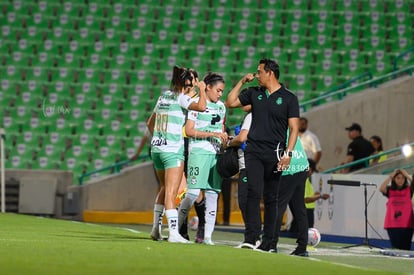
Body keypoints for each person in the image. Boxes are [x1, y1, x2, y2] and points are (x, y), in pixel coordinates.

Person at [226, 58, 300, 252]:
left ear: (270, 73)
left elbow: (294, 129)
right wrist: (242, 81)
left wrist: (288, 154)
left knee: (271, 198)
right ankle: (251, 239)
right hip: (254, 152)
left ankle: (269, 243)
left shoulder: (289, 98)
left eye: (259, 72)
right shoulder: (254, 93)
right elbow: (230, 102)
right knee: (252, 193)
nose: (256, 75)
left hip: (275, 153)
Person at [148, 65, 207, 243]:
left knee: (164, 188)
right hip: (172, 151)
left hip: (157, 149)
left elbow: (149, 123)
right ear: (186, 84)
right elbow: (202, 107)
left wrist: (159, 139)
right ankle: (174, 233)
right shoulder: (181, 98)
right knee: (172, 193)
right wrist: (202, 90)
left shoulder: (163, 96)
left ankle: (155, 229)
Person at [177, 73, 228, 245]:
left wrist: (224, 138)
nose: (220, 94)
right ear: (207, 87)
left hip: (215, 154)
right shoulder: (196, 105)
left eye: (222, 91)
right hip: (198, 152)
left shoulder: (222, 107)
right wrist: (212, 134)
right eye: (218, 90)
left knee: (213, 194)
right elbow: (189, 131)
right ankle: (176, 228)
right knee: (192, 193)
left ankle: (208, 237)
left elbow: (221, 128)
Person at [272, 132, 309, 256]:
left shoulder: (275, 126)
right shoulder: (290, 126)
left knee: (278, 206)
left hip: (288, 168)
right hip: (302, 165)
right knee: (299, 208)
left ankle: (271, 243)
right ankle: (302, 247)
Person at [226, 105, 252, 225]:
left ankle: (252, 233)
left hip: (248, 166)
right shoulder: (248, 117)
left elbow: (242, 140)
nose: (242, 104)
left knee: (245, 201)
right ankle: (252, 233)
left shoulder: (251, 116)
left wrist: (230, 143)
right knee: (246, 201)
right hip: (246, 166)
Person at [289, 159, 329, 232]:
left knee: (304, 235)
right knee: (298, 235)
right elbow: (304, 200)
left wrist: (315, 195)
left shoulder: (306, 181)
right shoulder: (301, 181)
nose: (312, 173)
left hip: (307, 212)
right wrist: (319, 196)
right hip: (304, 212)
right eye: (312, 170)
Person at [379, 169, 414, 250]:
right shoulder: (390, 189)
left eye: (402, 178)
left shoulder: (410, 190)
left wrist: (407, 176)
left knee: (406, 248)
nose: (400, 180)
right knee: (395, 248)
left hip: (407, 225)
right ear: (394, 179)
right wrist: (390, 176)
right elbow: (381, 188)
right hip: (392, 225)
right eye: (398, 178)